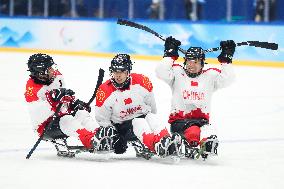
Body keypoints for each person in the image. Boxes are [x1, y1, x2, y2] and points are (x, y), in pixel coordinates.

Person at [155, 37, 236, 156]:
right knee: (194, 132)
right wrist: (169, 55)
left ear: (202, 63)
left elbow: (228, 79)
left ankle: (203, 144)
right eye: (189, 61)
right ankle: (190, 141)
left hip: (202, 122)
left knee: (210, 132)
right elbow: (160, 71)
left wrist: (226, 60)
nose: (191, 65)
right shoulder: (177, 73)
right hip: (179, 121)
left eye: (196, 62)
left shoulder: (210, 76)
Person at [24, 53, 114, 152]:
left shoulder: (57, 77)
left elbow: (63, 100)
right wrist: (52, 101)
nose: (53, 70)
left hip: (62, 115)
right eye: (49, 69)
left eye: (52, 67)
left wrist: (74, 104)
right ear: (40, 73)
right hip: (44, 127)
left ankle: (101, 136)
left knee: (81, 113)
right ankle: (91, 141)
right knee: (67, 119)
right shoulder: (32, 90)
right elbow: (38, 117)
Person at [95, 54, 180, 158]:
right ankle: (156, 145)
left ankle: (166, 140)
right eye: (115, 71)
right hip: (122, 128)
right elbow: (102, 119)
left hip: (143, 118)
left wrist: (150, 119)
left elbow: (151, 107)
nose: (118, 75)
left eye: (122, 71)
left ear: (128, 71)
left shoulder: (142, 81)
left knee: (151, 117)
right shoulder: (104, 90)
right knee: (138, 122)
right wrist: (115, 137)